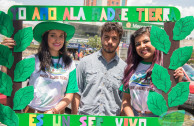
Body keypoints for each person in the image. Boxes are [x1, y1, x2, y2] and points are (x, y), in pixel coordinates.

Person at [2, 22, 79, 114]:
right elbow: (8, 78)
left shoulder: (70, 64)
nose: (57, 40)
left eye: (61, 36)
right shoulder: (32, 60)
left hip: (56, 116)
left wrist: (53, 111)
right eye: (53, 35)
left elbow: (69, 95)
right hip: (31, 114)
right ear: (45, 38)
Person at [120, 27, 184, 117]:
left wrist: (178, 81)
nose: (142, 46)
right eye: (138, 44)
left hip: (157, 118)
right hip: (135, 117)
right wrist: (133, 119)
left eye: (146, 41)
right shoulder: (131, 68)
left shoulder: (166, 67)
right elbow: (126, 99)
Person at [71, 22, 126, 116]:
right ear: (101, 38)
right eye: (106, 37)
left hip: (111, 122)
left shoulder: (124, 68)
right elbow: (76, 93)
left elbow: (124, 101)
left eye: (114, 38)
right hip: (85, 121)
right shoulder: (85, 62)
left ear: (119, 41)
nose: (110, 41)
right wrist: (75, 121)